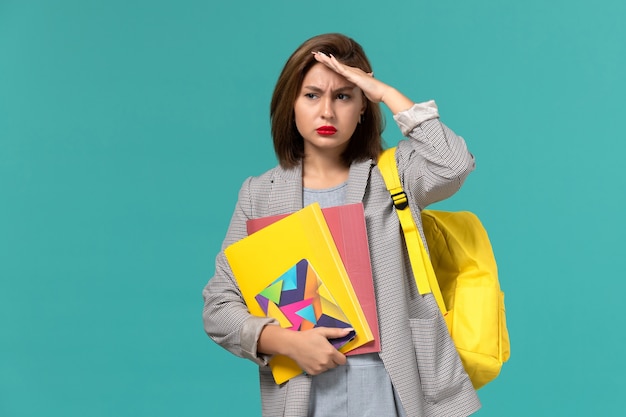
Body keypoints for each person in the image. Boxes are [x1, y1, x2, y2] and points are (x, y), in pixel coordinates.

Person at [202, 33, 481, 417]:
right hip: (305, 398)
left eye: (344, 96)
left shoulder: (393, 174)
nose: (327, 112)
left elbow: (454, 163)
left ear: (363, 106)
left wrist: (382, 91)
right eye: (312, 95)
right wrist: (283, 341)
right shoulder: (259, 194)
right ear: (291, 105)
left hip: (394, 393)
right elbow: (219, 306)